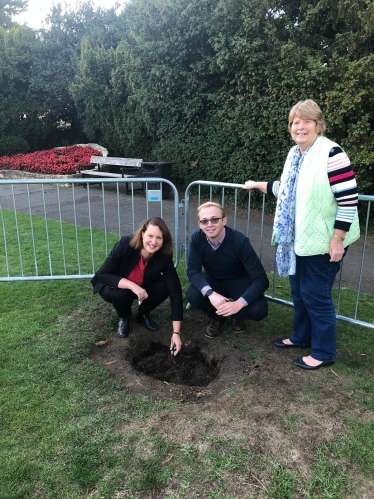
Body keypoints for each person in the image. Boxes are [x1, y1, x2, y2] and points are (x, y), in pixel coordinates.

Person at [244, 99, 360, 370]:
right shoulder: (295, 154)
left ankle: (323, 352)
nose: (300, 126)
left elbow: (348, 199)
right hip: (299, 240)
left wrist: (338, 239)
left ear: (318, 124)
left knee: (316, 296)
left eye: (306, 120)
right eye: (295, 121)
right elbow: (286, 190)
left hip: (324, 241)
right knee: (299, 292)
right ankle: (301, 337)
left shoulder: (332, 153)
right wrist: (257, 185)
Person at [91, 217, 183, 355]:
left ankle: (143, 313)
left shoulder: (164, 256)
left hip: (143, 285)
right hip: (114, 285)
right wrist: (132, 286)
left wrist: (176, 332)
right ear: (142, 234)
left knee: (165, 286)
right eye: (150, 236)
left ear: (164, 241)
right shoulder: (126, 244)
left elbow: (175, 292)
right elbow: (104, 274)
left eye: (159, 238)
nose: (153, 242)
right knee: (122, 294)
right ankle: (124, 316)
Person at [186, 201, 269, 338]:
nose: (210, 224)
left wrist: (238, 304)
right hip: (213, 279)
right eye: (204, 221)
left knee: (259, 310)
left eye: (215, 219)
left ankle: (236, 314)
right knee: (193, 294)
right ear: (200, 224)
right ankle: (218, 317)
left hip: (238, 280)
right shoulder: (197, 237)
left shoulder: (240, 241)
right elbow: (192, 271)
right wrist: (210, 294)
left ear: (224, 220)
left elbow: (261, 280)